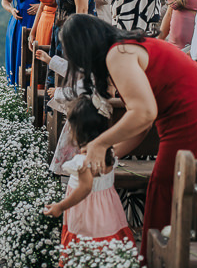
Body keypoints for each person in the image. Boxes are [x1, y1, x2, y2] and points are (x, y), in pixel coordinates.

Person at [60, 14, 197, 255]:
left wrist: (99, 143)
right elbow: (142, 124)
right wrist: (109, 154)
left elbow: (145, 112)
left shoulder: (118, 54)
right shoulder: (128, 47)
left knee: (166, 197)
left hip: (194, 127)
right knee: (172, 199)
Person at [42, 95, 135, 247]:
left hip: (86, 218)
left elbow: (85, 188)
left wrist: (61, 206)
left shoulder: (82, 162)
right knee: (106, 249)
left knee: (87, 250)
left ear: (76, 132)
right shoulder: (109, 155)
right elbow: (132, 140)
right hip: (109, 215)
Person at [2, 0, 44, 86]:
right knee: (17, 58)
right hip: (18, 25)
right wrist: (11, 10)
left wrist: (40, 6)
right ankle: (15, 92)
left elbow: (53, 0)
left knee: (32, 59)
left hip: (37, 25)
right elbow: (5, 0)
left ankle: (31, 93)